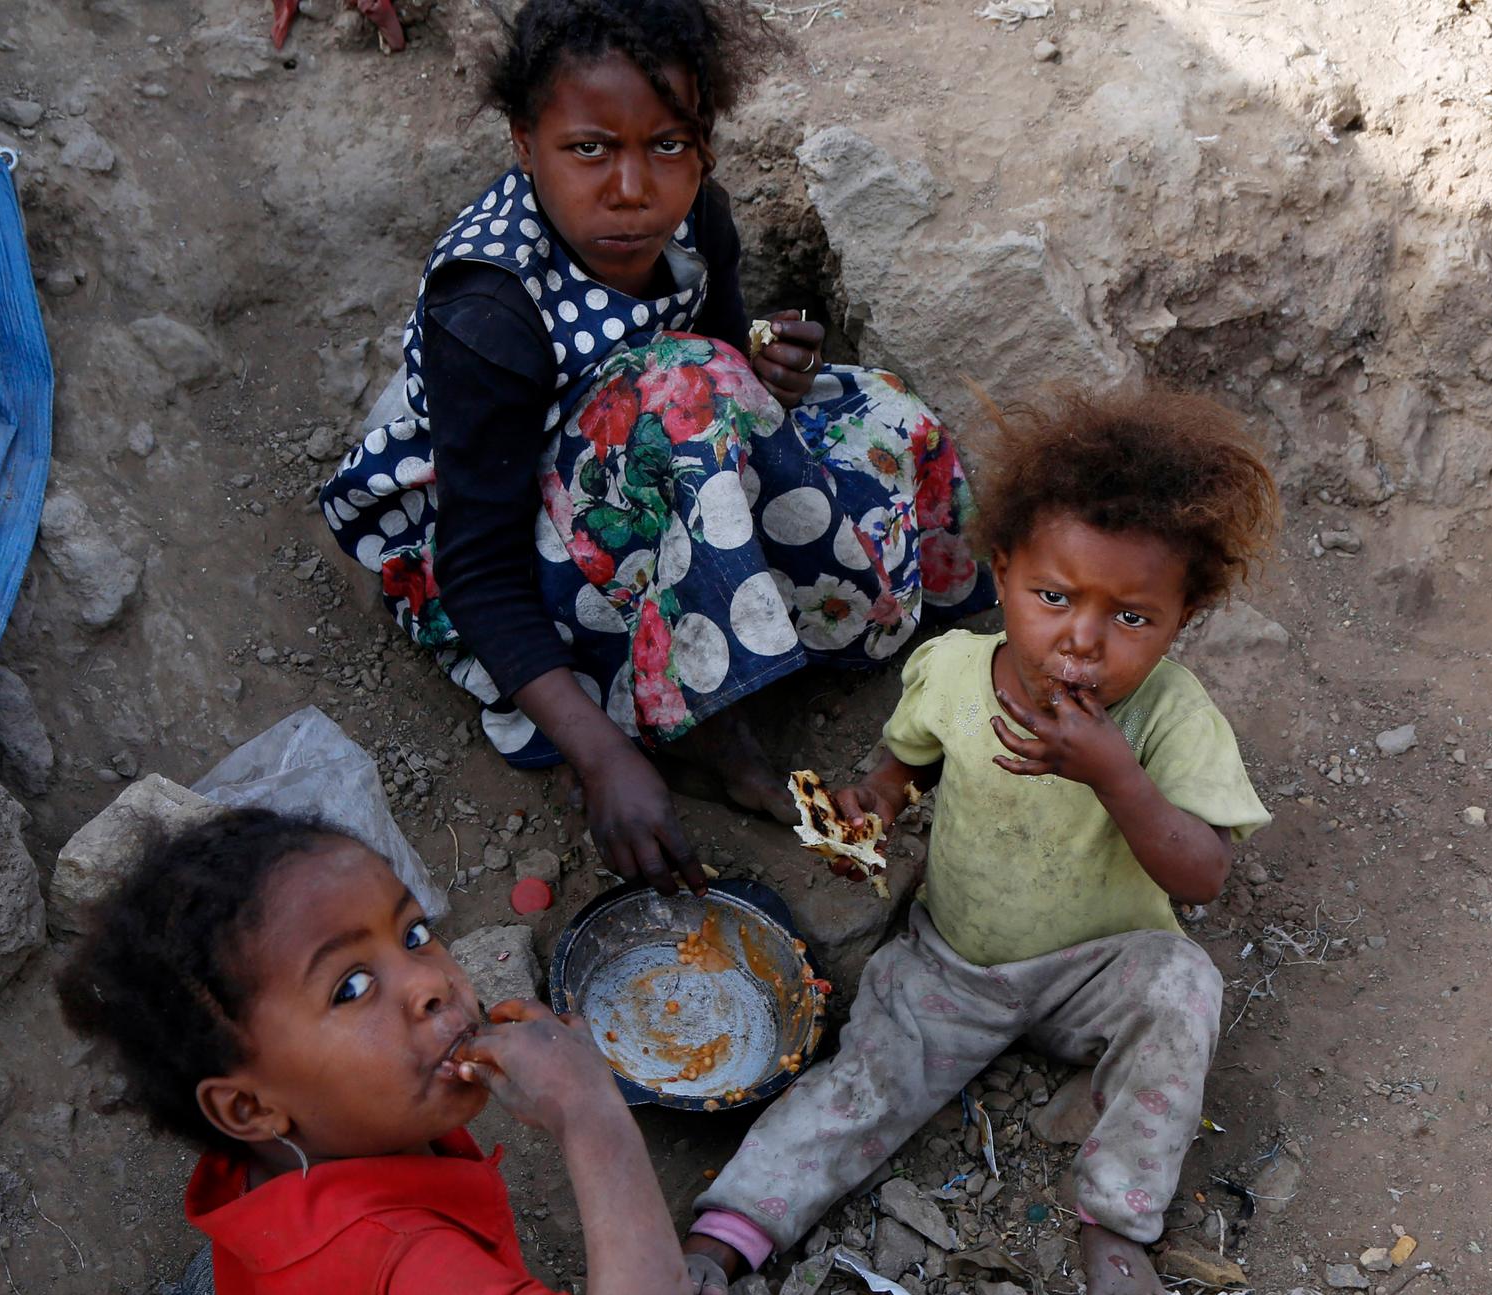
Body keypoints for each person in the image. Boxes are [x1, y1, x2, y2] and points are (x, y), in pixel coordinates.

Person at [318, 0, 992, 896]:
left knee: (883, 414)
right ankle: (701, 728)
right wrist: (599, 760)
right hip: (529, 542)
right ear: (525, 143)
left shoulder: (695, 217)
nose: (632, 186)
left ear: (703, 145)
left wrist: (763, 364)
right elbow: (477, 567)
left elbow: (710, 345)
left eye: (667, 145)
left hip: (655, 460)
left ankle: (936, 636)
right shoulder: (487, 311)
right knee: (685, 389)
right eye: (588, 148)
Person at [678, 388, 1283, 1295]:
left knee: (1184, 987)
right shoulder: (956, 669)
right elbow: (908, 760)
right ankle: (732, 1230)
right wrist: (874, 805)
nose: (1082, 639)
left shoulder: (1170, 718)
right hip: (953, 961)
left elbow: (1201, 875)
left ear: (1184, 618)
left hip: (1098, 967)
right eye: (1054, 598)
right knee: (861, 1078)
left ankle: (1118, 1223)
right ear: (1001, 572)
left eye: (1131, 616)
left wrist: (1115, 777)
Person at [56, 807, 700, 1295]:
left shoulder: (281, 1153)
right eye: (351, 986)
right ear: (249, 1108)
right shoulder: (408, 1268)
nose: (429, 982)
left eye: (415, 933)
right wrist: (592, 1112)